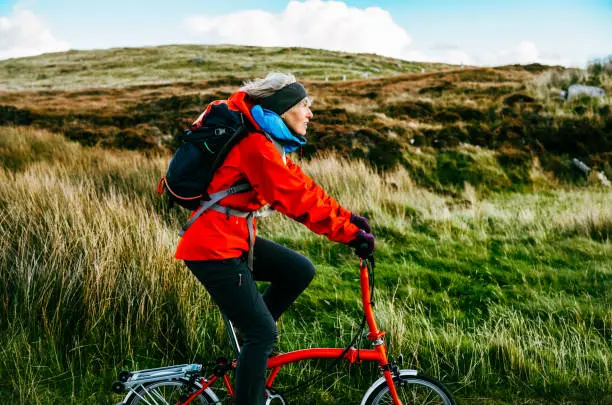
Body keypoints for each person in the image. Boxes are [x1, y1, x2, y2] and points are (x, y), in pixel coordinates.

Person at [174, 72, 375, 405]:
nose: (310, 114)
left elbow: (302, 186)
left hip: (235, 239)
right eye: (304, 106)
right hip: (212, 249)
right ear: (283, 109)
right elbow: (294, 201)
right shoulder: (255, 146)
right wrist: (351, 235)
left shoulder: (268, 142)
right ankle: (253, 347)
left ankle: (248, 348)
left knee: (298, 270)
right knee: (263, 333)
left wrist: (347, 218)